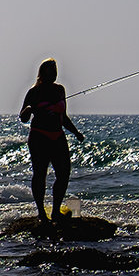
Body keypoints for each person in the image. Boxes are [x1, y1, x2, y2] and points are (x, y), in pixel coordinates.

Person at [20, 58, 84, 224]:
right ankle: (41, 212)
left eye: (55, 71)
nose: (53, 74)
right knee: (40, 175)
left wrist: (76, 132)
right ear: (42, 73)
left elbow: (63, 117)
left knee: (63, 174)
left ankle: (56, 211)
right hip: (39, 136)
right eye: (50, 71)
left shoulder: (60, 90)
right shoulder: (34, 92)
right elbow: (23, 118)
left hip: (58, 136)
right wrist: (29, 109)